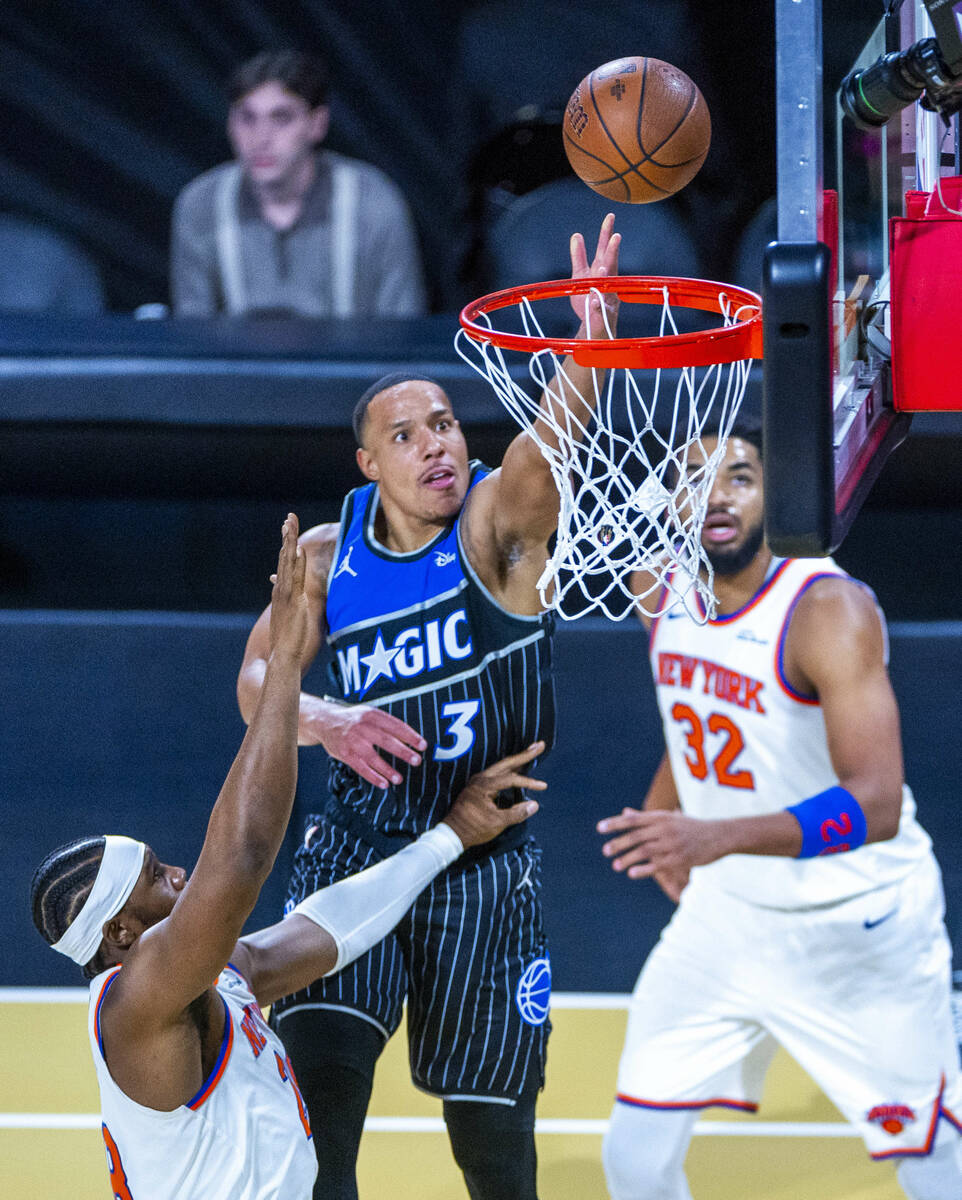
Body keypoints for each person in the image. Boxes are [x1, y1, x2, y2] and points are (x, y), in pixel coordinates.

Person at [237, 217, 621, 1199]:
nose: (434, 445)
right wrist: (324, 719)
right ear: (369, 463)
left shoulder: (494, 522)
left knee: (492, 1154)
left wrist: (588, 338)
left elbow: (544, 449)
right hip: (357, 849)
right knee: (318, 1124)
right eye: (404, 435)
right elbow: (253, 683)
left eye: (443, 423)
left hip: (481, 865)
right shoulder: (327, 553)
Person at [29, 515, 545, 1200]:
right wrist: (285, 672)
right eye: (156, 878)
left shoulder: (211, 978)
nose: (179, 873)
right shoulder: (139, 1001)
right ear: (122, 934)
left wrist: (450, 834)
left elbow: (327, 928)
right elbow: (241, 856)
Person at [596, 422, 962, 1200]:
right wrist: (671, 813)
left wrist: (710, 836)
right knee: (633, 1155)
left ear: (781, 491)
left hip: (858, 923)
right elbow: (697, 708)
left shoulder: (827, 609)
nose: (715, 495)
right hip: (726, 922)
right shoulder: (660, 591)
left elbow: (877, 803)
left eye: (739, 475)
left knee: (934, 1164)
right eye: (694, 478)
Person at [170, 51, 427, 318]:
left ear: (317, 124)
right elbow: (193, 336)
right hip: (240, 361)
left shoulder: (372, 202)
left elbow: (402, 332)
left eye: (281, 118)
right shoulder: (201, 204)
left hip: (346, 359)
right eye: (247, 118)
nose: (261, 139)